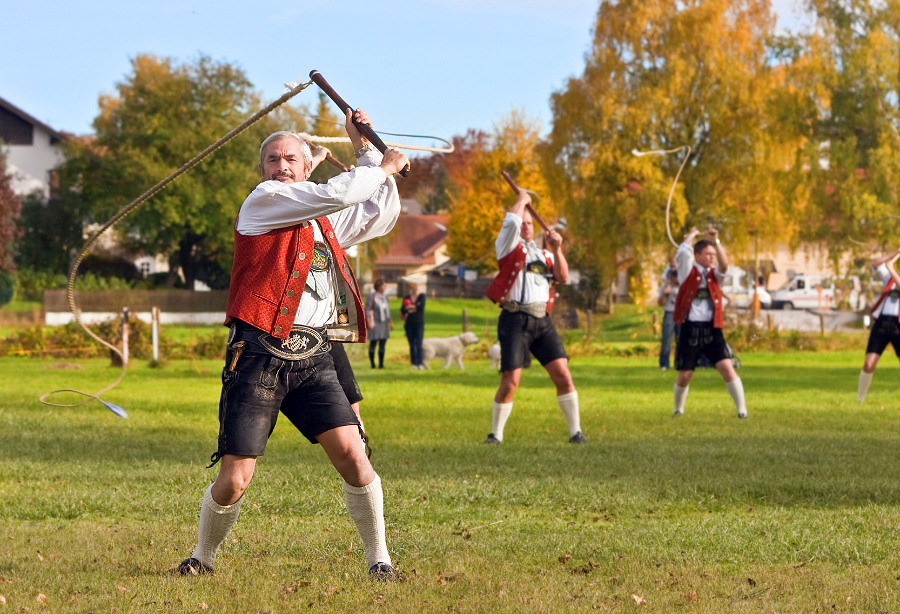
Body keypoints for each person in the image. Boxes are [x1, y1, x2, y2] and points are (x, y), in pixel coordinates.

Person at [173, 108, 409, 581]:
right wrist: (382, 165)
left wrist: (366, 148)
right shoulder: (263, 202)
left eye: (291, 160)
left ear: (306, 166)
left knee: (354, 456)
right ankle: (202, 558)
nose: (281, 166)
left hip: (314, 356)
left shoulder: (322, 224)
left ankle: (379, 560)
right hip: (259, 356)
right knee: (236, 477)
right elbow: (334, 192)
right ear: (264, 171)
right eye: (274, 159)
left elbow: (380, 214)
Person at [483, 190, 585, 444]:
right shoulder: (507, 246)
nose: (527, 227)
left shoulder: (545, 254)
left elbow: (562, 277)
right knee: (511, 381)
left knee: (563, 373)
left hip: (543, 321)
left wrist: (558, 248)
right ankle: (496, 435)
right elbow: (511, 222)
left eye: (530, 223)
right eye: (524, 223)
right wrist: (522, 200)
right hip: (515, 319)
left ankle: (576, 432)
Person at [672, 227, 747, 418]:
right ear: (697, 256)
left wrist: (716, 241)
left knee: (727, 367)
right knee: (685, 375)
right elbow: (682, 252)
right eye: (707, 254)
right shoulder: (686, 272)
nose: (711, 258)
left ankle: (742, 410)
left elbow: (725, 265)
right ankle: (678, 409)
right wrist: (692, 236)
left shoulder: (715, 275)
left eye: (713, 254)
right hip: (690, 328)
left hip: (712, 329)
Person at [857, 248, 900, 402]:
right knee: (869, 364)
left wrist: (890, 267)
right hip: (882, 323)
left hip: (899, 326)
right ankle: (860, 400)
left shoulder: (892, 274)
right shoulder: (889, 277)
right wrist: (895, 253)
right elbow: (875, 263)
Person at [657, 254, 680, 371]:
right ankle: (664, 364)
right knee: (666, 340)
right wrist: (664, 294)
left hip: (681, 315)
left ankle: (679, 363)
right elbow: (660, 303)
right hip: (669, 313)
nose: (675, 277)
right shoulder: (665, 286)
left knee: (680, 340)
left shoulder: (684, 286)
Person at [365, 278, 392, 368]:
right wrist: (368, 322)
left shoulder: (385, 297)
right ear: (379, 286)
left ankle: (381, 364)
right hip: (374, 322)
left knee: (382, 344)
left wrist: (390, 322)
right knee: (373, 343)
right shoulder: (372, 296)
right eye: (384, 285)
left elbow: (387, 311)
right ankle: (372, 364)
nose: (385, 287)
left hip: (383, 323)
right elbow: (367, 309)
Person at [400, 281, 426, 369]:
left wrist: (410, 307)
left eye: (417, 285)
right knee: (412, 345)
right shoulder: (407, 297)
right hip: (409, 324)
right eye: (414, 286)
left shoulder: (421, 296)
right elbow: (403, 309)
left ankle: (420, 363)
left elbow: (421, 307)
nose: (416, 287)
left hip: (419, 324)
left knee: (419, 344)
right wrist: (414, 307)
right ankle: (414, 363)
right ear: (411, 287)